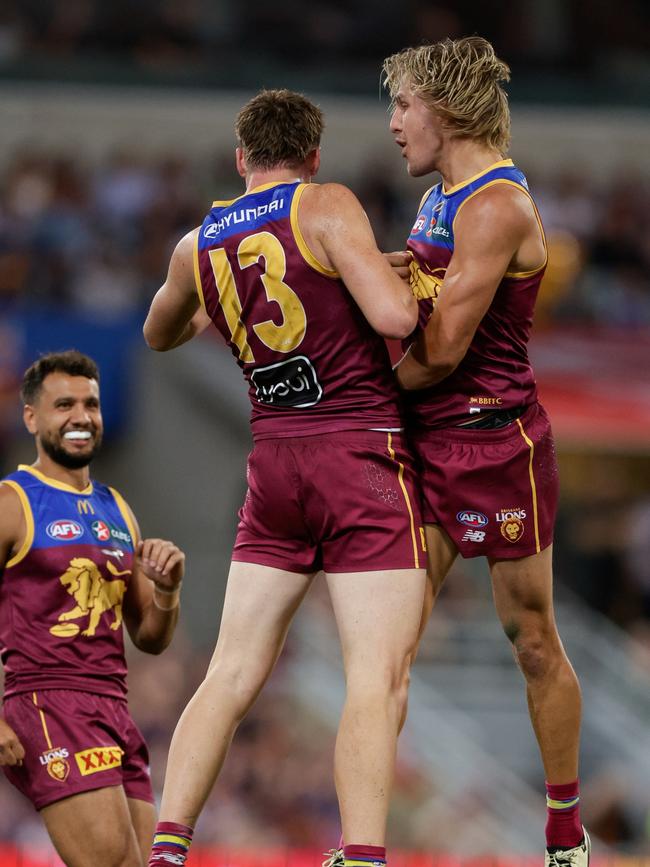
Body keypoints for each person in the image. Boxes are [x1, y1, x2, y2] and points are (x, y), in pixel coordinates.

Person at [143, 88, 427, 867]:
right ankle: (362, 854)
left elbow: (158, 332)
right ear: (313, 156)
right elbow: (396, 319)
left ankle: (167, 848)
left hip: (273, 462)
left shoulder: (197, 241)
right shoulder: (327, 203)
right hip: (357, 454)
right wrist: (396, 273)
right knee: (376, 674)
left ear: (240, 160)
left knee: (229, 672)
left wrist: (211, 308)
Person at [382, 37, 589, 866]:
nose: (394, 124)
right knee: (386, 641)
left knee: (531, 636)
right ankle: (361, 840)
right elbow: (423, 294)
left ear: (449, 112)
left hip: (497, 443)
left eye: (404, 106)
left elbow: (438, 351)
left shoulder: (496, 204)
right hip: (428, 441)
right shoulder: (441, 195)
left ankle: (564, 836)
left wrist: (351, 392)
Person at [0, 350, 185, 867]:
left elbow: (149, 636)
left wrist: (168, 588)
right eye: (64, 404)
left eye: (91, 404)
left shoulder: (117, 507)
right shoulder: (13, 501)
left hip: (113, 708)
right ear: (32, 416)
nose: (81, 416)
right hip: (47, 702)